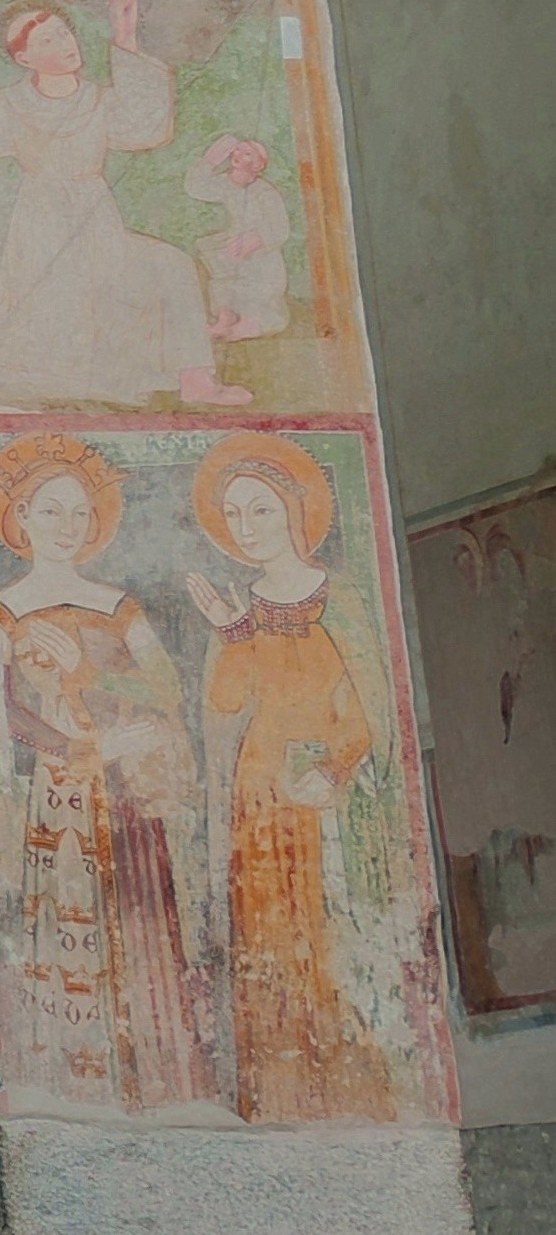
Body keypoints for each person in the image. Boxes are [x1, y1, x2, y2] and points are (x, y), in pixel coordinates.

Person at [0, 434, 212, 1111]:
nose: (66, 527)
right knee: (72, 922)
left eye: (78, 514)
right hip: (67, 786)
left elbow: (165, 687)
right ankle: (82, 1083)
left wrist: (92, 678)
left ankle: (163, 1079)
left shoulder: (116, 604)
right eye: (49, 512)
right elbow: (7, 715)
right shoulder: (5, 609)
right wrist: (81, 749)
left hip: (129, 785)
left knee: (141, 917)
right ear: (19, 519)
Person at [188, 435, 403, 1122]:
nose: (248, 529)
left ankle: (348, 1091)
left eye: (261, 511)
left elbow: (365, 702)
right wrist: (229, 636)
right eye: (235, 516)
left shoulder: (336, 599)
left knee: (327, 938)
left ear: (294, 511)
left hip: (319, 795)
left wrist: (334, 767)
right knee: (266, 942)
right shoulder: (240, 606)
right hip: (257, 794)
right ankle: (278, 1093)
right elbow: (225, 706)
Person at [0, 0, 245, 407]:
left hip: (96, 213)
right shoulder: (11, 104)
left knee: (170, 266)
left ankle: (196, 379)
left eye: (63, 32)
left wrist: (126, 36)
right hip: (44, 219)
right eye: (45, 41)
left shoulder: (97, 99)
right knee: (57, 309)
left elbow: (147, 127)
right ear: (24, 59)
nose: (63, 43)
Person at [186, 134, 292, 343]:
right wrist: (209, 161)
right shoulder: (227, 184)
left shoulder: (265, 192)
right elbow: (196, 188)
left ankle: (249, 324)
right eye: (236, 150)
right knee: (223, 280)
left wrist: (258, 238)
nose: (238, 154)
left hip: (262, 253)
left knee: (256, 287)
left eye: (247, 153)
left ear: (258, 165)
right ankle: (226, 318)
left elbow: (280, 227)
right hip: (235, 245)